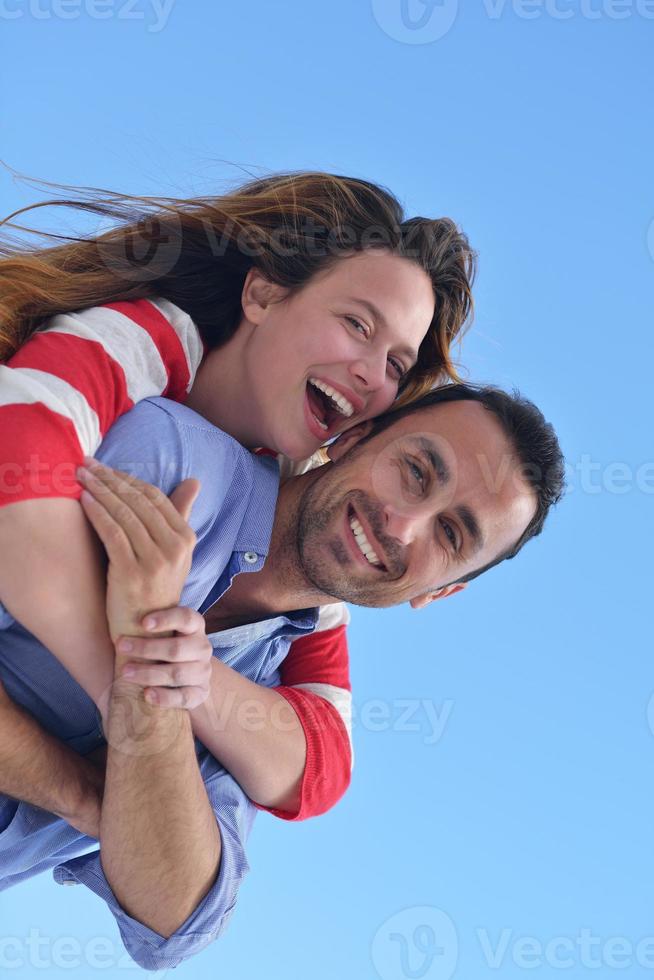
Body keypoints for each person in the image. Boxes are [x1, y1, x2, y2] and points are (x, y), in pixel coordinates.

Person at [0, 382, 565, 969]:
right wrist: (87, 796)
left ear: (441, 592)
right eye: (416, 472)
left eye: (450, 534)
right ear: (352, 437)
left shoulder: (258, 700)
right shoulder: (172, 461)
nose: (403, 526)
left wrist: (157, 668)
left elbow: (173, 912)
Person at [0, 171, 475, 820]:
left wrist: (194, 692)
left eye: (396, 363)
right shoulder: (138, 343)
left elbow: (326, 765)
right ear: (263, 292)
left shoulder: (294, 495)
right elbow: (18, 473)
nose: (371, 374)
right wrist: (130, 708)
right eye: (357, 325)